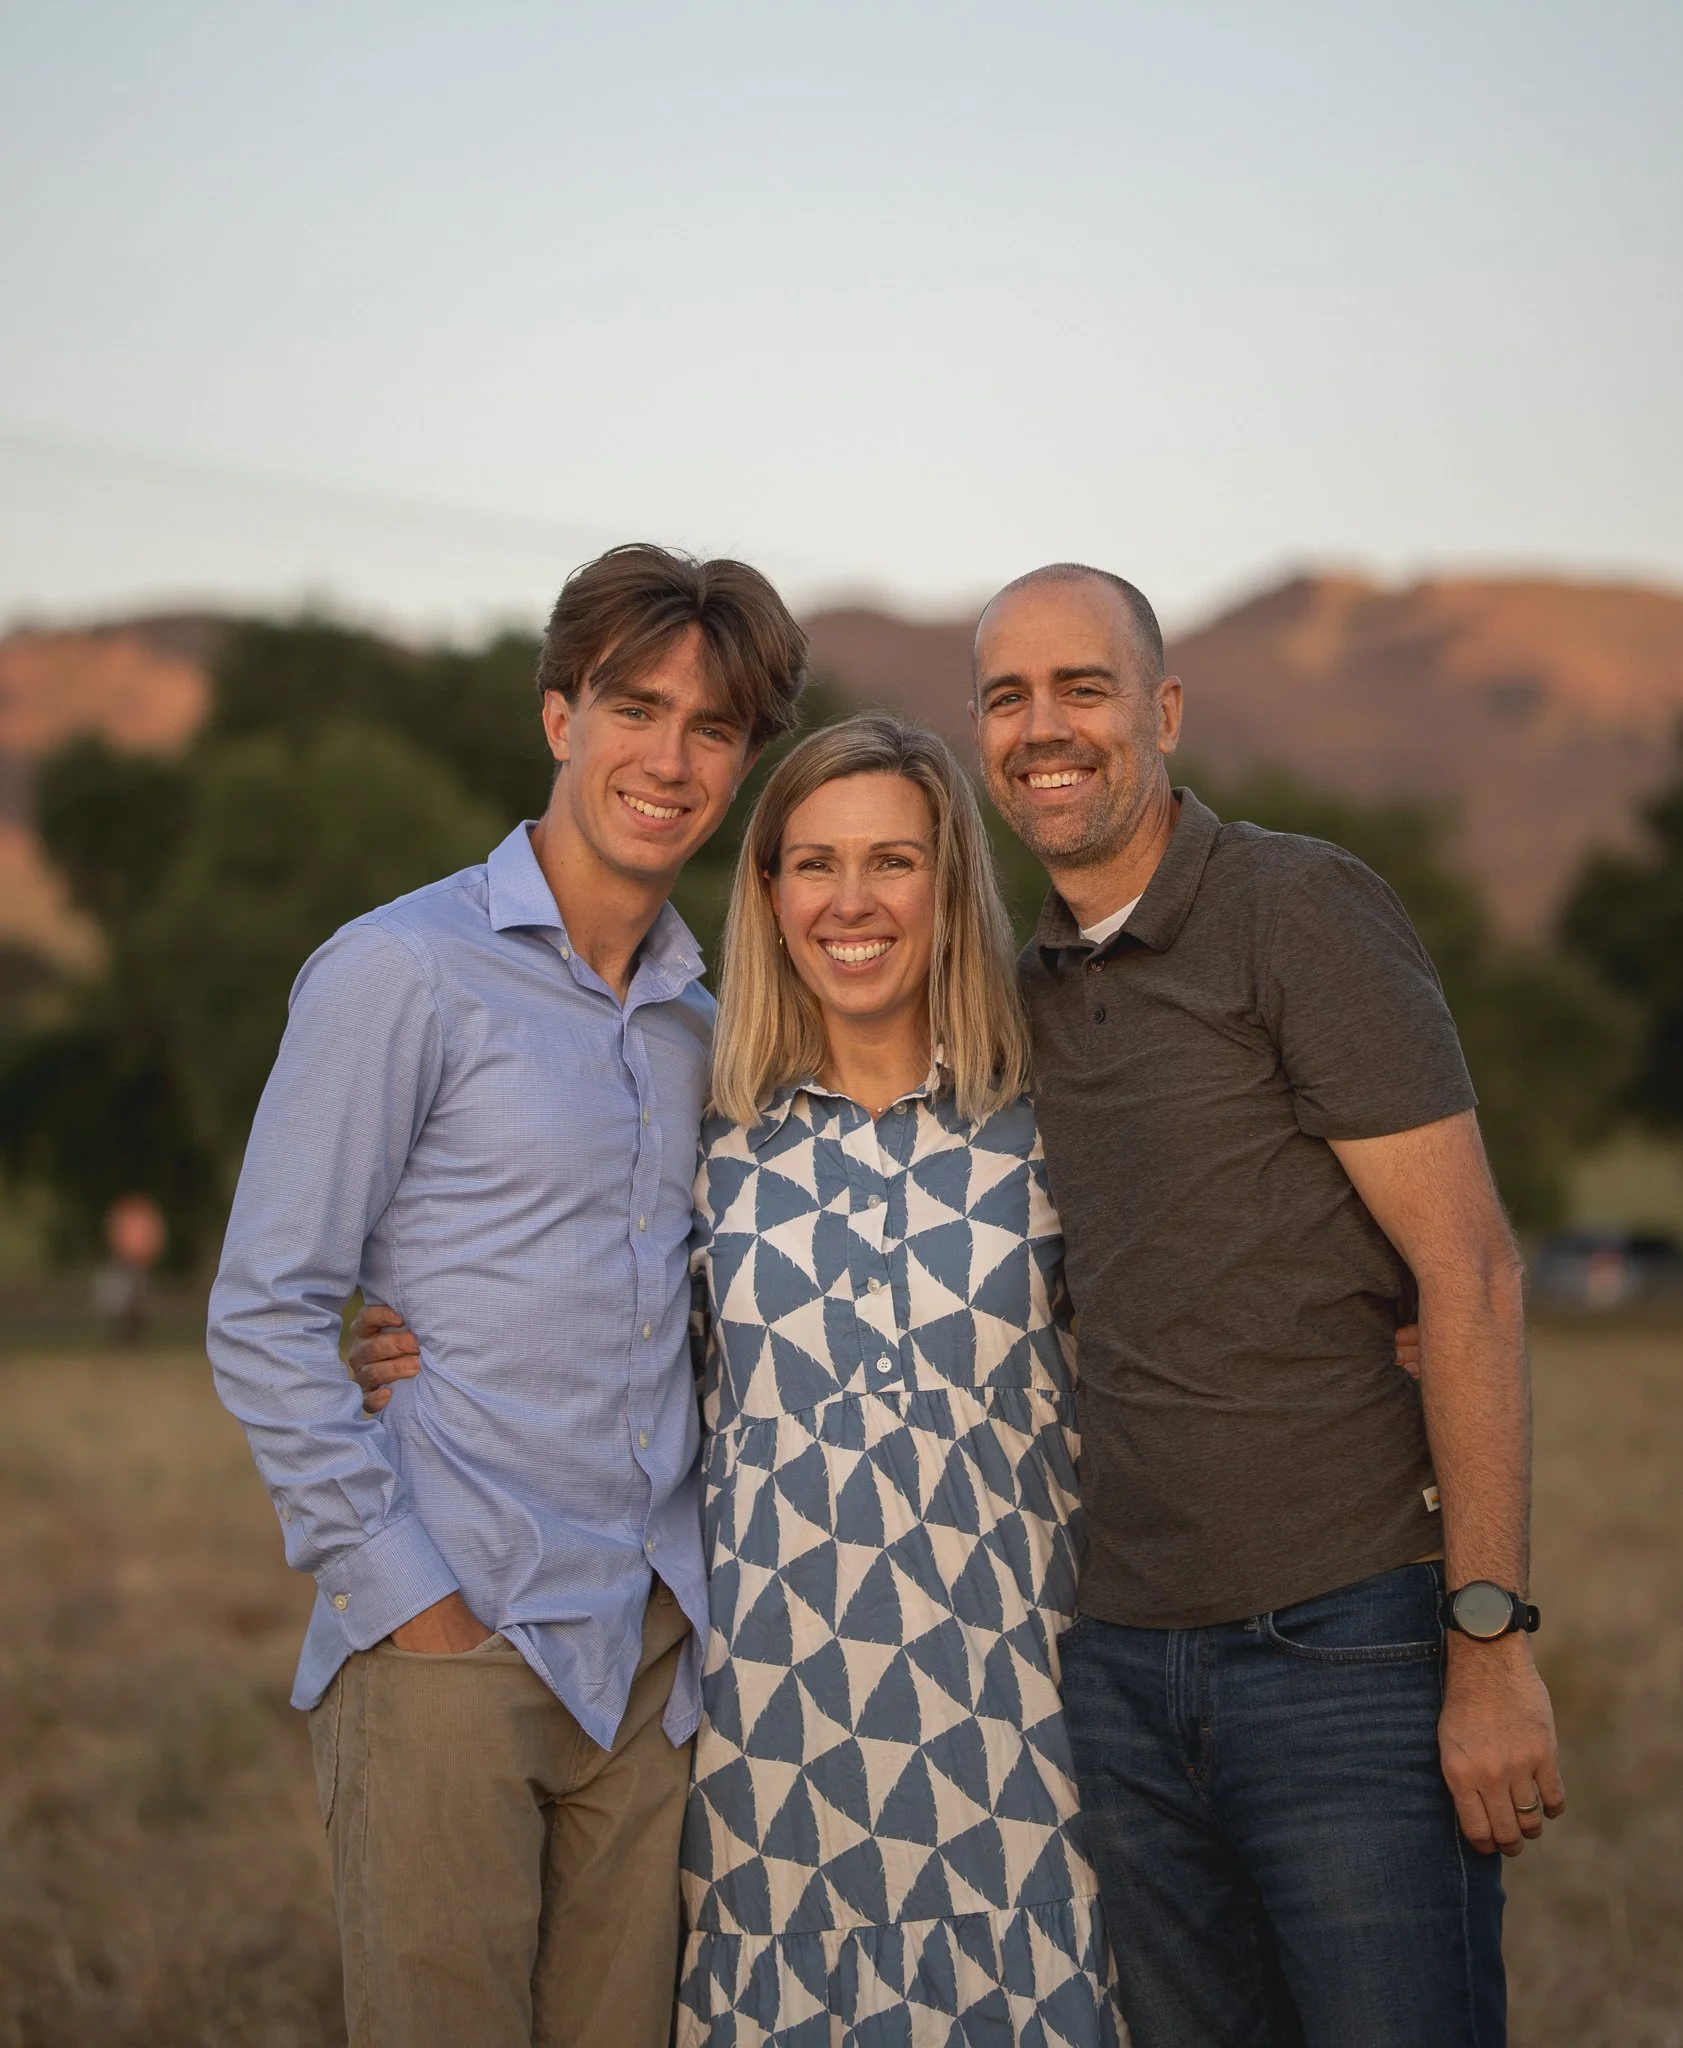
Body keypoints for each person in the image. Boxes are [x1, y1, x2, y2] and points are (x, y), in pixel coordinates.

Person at [207, 543, 807, 2048]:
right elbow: (269, 1304)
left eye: (714, 726)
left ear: (741, 763)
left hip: (646, 1657)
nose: (667, 758)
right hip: (450, 1640)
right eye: (636, 706)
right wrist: (404, 1593)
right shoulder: (399, 973)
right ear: (559, 714)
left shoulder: (707, 1026)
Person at [970, 562, 1565, 2047]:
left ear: (1161, 711)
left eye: (1082, 688)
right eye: (1005, 697)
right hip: (1111, 1659)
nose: (1043, 728)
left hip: (1344, 1647)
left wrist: (1485, 1649)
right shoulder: (1006, 992)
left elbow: (1470, 1270)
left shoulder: (1295, 909)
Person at [673, 715, 1121, 2044]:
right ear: (766, 894)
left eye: (891, 862)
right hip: (772, 1750)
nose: (851, 903)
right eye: (812, 864)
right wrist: (393, 1344)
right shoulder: (700, 1142)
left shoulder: (1051, 1124)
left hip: (1023, 1739)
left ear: (950, 883)